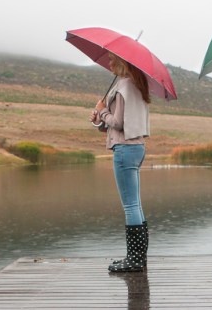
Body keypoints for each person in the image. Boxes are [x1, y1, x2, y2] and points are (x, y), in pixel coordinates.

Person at [90, 52, 150, 273]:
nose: (110, 63)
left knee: (131, 205)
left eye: (114, 59)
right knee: (136, 203)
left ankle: (134, 259)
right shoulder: (136, 86)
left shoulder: (124, 87)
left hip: (125, 149)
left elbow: (118, 122)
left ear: (124, 62)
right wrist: (100, 121)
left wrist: (102, 110)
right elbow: (117, 124)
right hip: (137, 147)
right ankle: (139, 258)